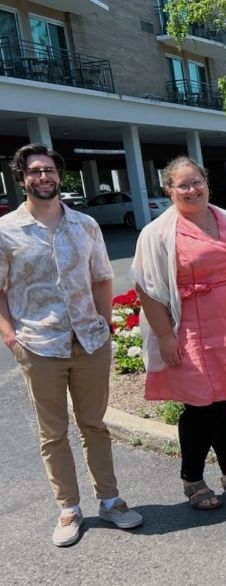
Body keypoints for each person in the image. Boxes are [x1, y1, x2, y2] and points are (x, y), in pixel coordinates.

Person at [0, 143, 143, 546]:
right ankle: (68, 508)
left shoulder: (85, 225)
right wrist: (9, 335)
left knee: (95, 424)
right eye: (35, 172)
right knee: (53, 433)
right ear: (22, 178)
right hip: (38, 342)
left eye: (49, 170)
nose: (43, 177)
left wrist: (104, 323)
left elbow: (101, 277)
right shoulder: (7, 230)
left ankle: (111, 501)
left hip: (89, 340)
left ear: (60, 176)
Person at [131, 156, 226, 511]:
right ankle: (192, 478)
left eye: (197, 182)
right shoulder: (157, 233)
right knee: (200, 405)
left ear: (207, 182)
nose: (192, 190)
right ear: (168, 190)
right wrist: (164, 336)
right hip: (190, 328)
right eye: (183, 185)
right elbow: (147, 288)